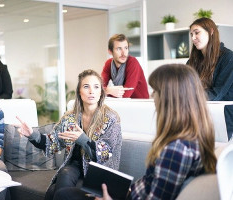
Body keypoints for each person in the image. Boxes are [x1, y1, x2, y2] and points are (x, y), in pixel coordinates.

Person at [54, 64, 217, 200]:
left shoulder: (177, 150)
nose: (153, 96)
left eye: (156, 91)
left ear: (170, 98)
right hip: (130, 194)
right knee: (62, 191)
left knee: (63, 195)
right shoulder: (191, 139)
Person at [16, 69, 122, 200]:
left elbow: (105, 153)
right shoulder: (70, 117)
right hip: (75, 166)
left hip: (99, 170)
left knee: (53, 192)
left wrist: (82, 139)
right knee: (65, 173)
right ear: (79, 91)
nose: (91, 91)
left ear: (101, 91)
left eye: (96, 87)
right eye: (86, 86)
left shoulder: (111, 119)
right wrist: (32, 134)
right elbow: (52, 143)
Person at [188, 17, 233, 140]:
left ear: (211, 31)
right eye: (191, 34)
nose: (193, 38)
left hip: (223, 119)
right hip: (198, 115)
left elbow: (217, 93)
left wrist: (188, 98)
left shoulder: (228, 58)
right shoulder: (192, 61)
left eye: (197, 32)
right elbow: (184, 87)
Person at [101, 34, 149, 98]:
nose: (124, 53)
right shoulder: (108, 64)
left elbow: (126, 94)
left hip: (140, 103)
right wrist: (108, 90)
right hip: (123, 103)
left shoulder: (132, 62)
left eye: (126, 48)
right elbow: (98, 87)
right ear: (110, 52)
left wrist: (107, 91)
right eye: (119, 49)